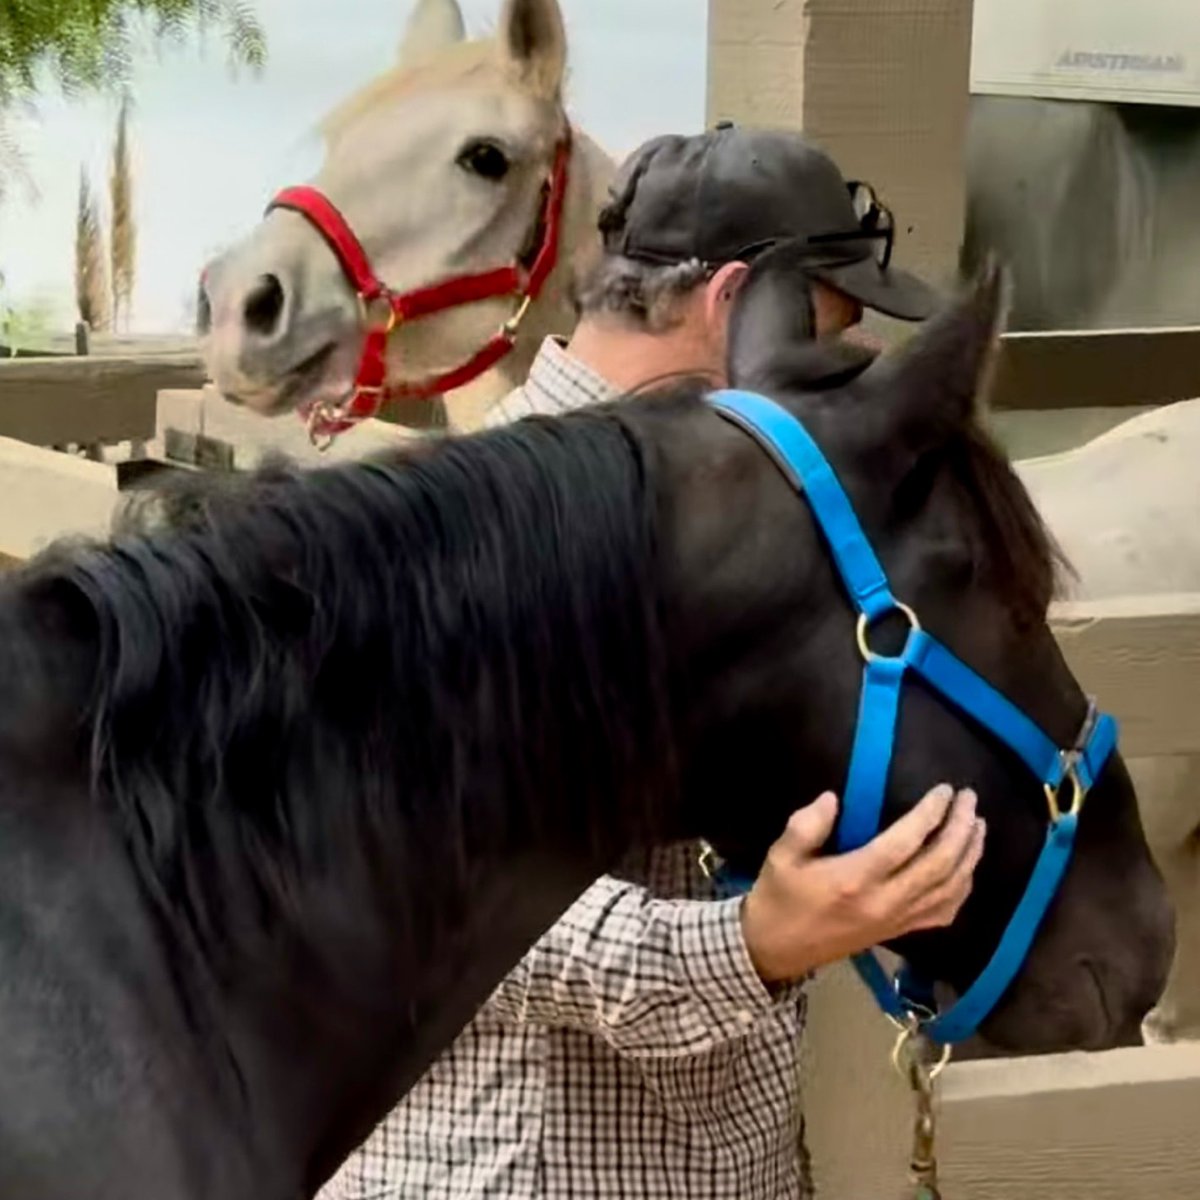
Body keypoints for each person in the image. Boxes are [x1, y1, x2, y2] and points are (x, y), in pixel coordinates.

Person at [321, 124, 981, 1200]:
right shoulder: (460, 533)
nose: (847, 377)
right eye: (828, 331)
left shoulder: (751, 509)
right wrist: (760, 940)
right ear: (731, 304)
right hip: (522, 1169)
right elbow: (458, 901)